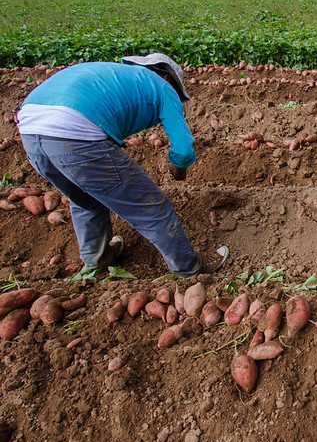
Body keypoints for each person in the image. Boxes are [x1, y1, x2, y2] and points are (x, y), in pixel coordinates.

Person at [16, 53, 229, 277]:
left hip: (30, 130)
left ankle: (97, 260)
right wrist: (178, 169)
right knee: (152, 207)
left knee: (85, 198)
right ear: (167, 77)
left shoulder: (113, 74)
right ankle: (191, 268)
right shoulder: (163, 87)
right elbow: (184, 150)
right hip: (75, 134)